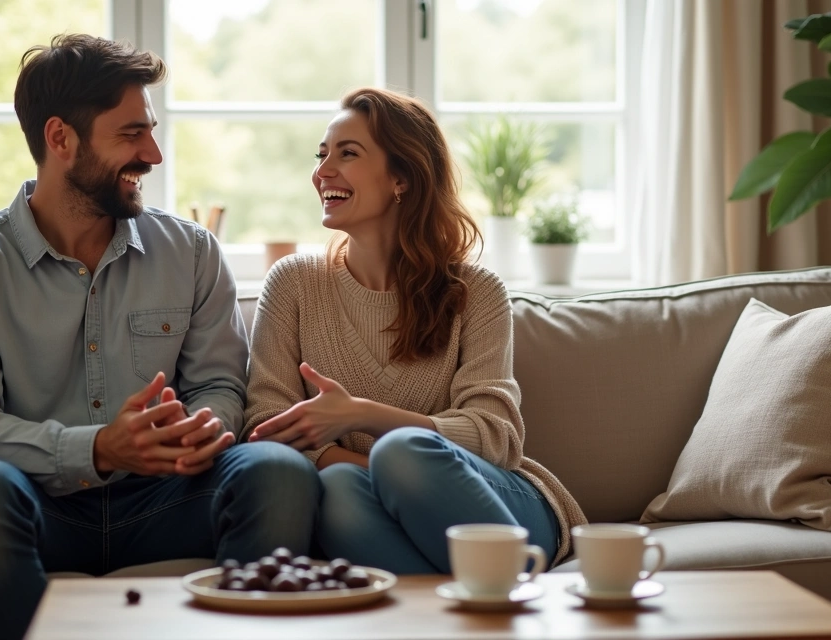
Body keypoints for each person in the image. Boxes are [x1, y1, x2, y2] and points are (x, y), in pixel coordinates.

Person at [0, 35, 321, 640]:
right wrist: (100, 449)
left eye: (150, 131)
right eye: (132, 134)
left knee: (277, 470)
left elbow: (218, 384)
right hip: (41, 505)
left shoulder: (191, 251)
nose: (153, 154)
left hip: (169, 499)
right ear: (60, 139)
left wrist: (200, 429)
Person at [243, 87, 587, 575]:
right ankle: (478, 601)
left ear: (401, 177)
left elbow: (496, 437)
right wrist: (389, 478)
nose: (322, 172)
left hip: (497, 504)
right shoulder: (293, 283)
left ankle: (499, 580)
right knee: (337, 487)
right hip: (373, 500)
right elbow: (266, 424)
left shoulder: (476, 292)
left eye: (347, 153)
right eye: (322, 155)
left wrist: (360, 415)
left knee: (403, 450)